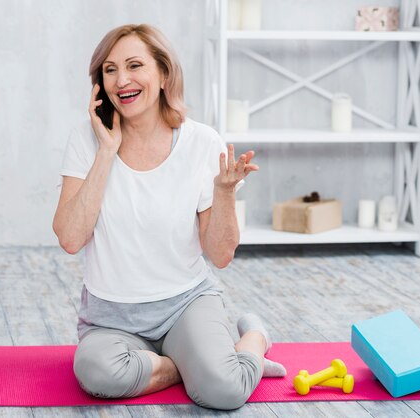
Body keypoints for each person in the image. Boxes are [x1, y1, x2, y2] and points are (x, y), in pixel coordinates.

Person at [52, 24, 285, 410]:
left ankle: (254, 339)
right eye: (110, 70)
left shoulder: (202, 142)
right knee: (95, 373)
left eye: (134, 66)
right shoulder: (86, 139)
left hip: (185, 304)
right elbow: (71, 239)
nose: (121, 80)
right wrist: (106, 152)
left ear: (163, 74)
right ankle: (187, 365)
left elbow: (221, 256)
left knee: (224, 392)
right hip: (111, 316)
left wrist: (224, 192)